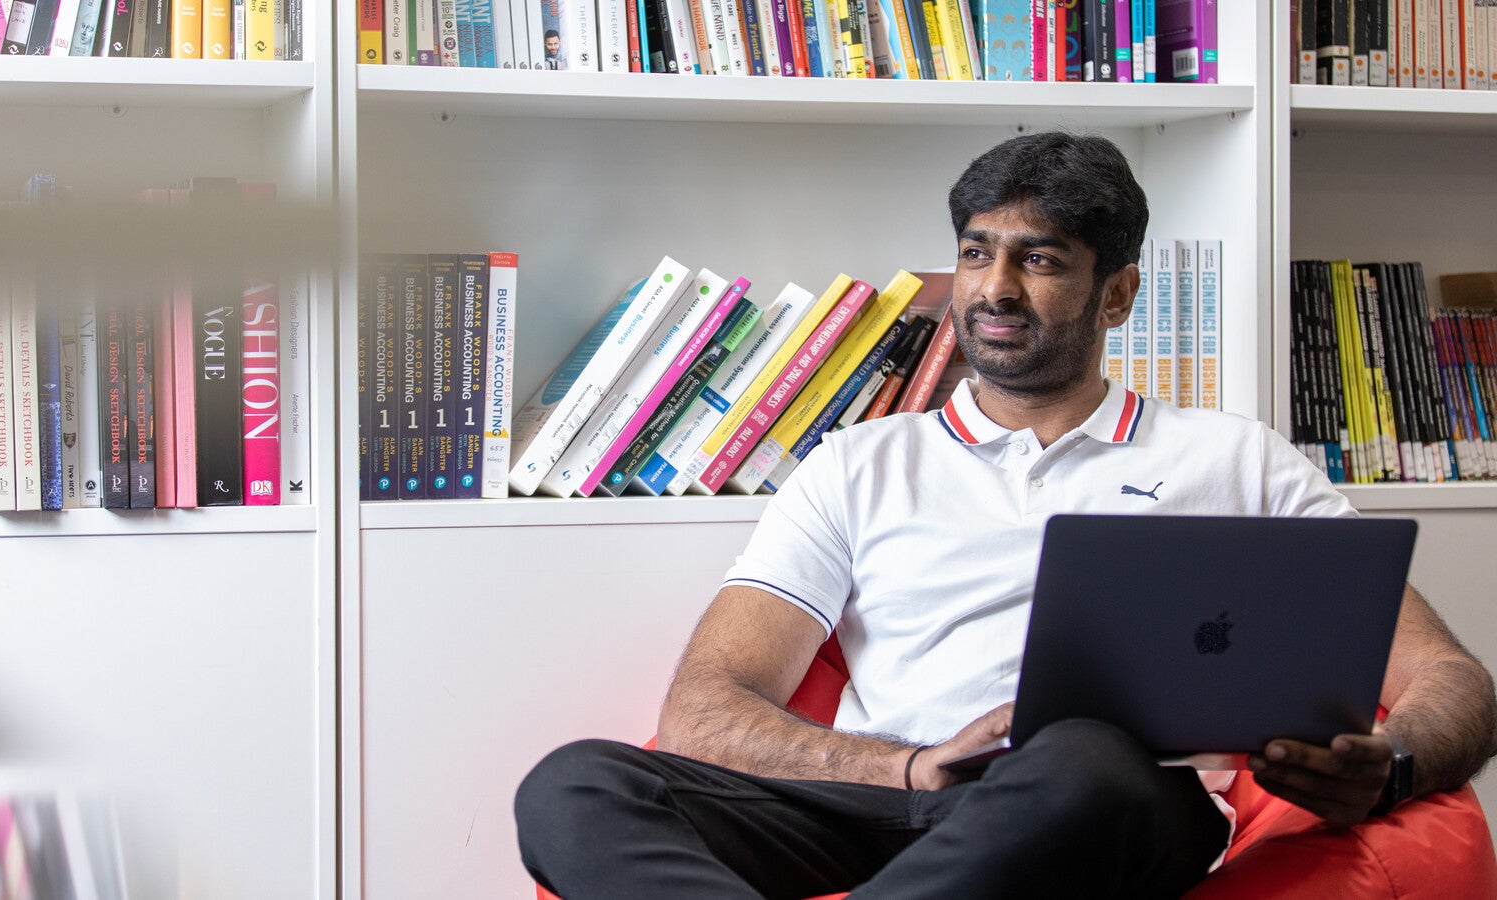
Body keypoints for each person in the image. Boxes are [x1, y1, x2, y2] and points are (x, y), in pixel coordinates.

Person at [513, 131, 1497, 899]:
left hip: (1103, 809)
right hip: (887, 799)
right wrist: (906, 764)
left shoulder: (1235, 459)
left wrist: (1397, 766)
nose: (993, 288)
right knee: (577, 785)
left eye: (1040, 260)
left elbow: (1453, 679)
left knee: (1077, 750)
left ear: (1117, 295)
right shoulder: (858, 463)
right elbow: (703, 710)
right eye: (977, 252)